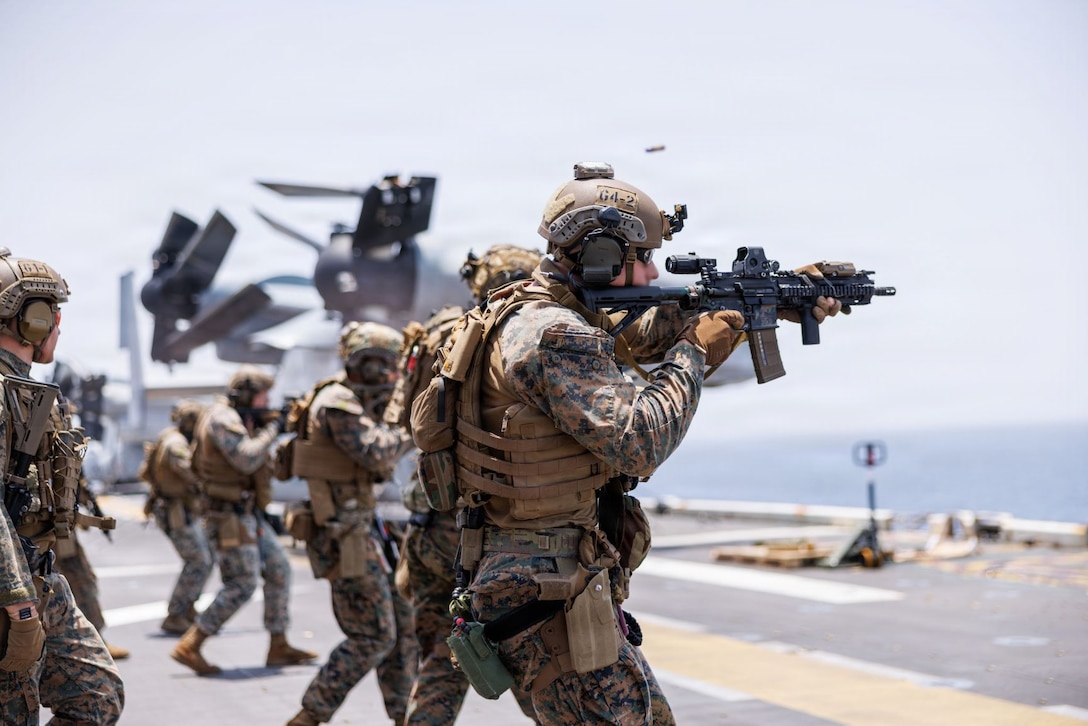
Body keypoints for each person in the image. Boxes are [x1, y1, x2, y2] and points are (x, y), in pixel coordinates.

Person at [410, 162, 843, 724]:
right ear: (600, 257)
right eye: (642, 258)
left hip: (536, 576)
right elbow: (641, 441)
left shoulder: (529, 311)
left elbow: (637, 328)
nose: (653, 271)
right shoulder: (554, 335)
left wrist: (762, 304)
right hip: (543, 584)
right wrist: (694, 353)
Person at [384, 244, 543, 725]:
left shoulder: (441, 335)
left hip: (429, 523)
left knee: (442, 656)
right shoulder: (520, 337)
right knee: (537, 659)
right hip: (491, 535)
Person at [0, 247, 124, 724]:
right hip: (15, 593)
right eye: (52, 313)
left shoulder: (28, 392)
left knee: (96, 697)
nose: (57, 324)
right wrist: (18, 602)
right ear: (29, 320)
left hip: (39, 575)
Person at [284, 322, 418, 726]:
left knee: (402, 629)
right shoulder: (338, 402)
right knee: (373, 635)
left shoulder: (346, 399)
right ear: (368, 363)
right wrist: (413, 422)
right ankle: (310, 715)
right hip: (343, 536)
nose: (390, 375)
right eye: (385, 366)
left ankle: (405, 716)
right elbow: (377, 453)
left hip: (361, 530)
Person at [172, 365, 316, 675]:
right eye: (263, 397)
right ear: (247, 395)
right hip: (227, 515)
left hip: (247, 513)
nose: (266, 403)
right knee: (241, 584)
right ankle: (191, 643)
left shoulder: (239, 416)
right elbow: (247, 457)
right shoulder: (222, 418)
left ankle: (278, 643)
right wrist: (273, 429)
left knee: (279, 569)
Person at [140, 398, 214, 635]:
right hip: (175, 512)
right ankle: (176, 613)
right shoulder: (176, 444)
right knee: (198, 560)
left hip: (180, 509)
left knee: (205, 558)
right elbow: (191, 473)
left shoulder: (170, 436)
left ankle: (187, 607)